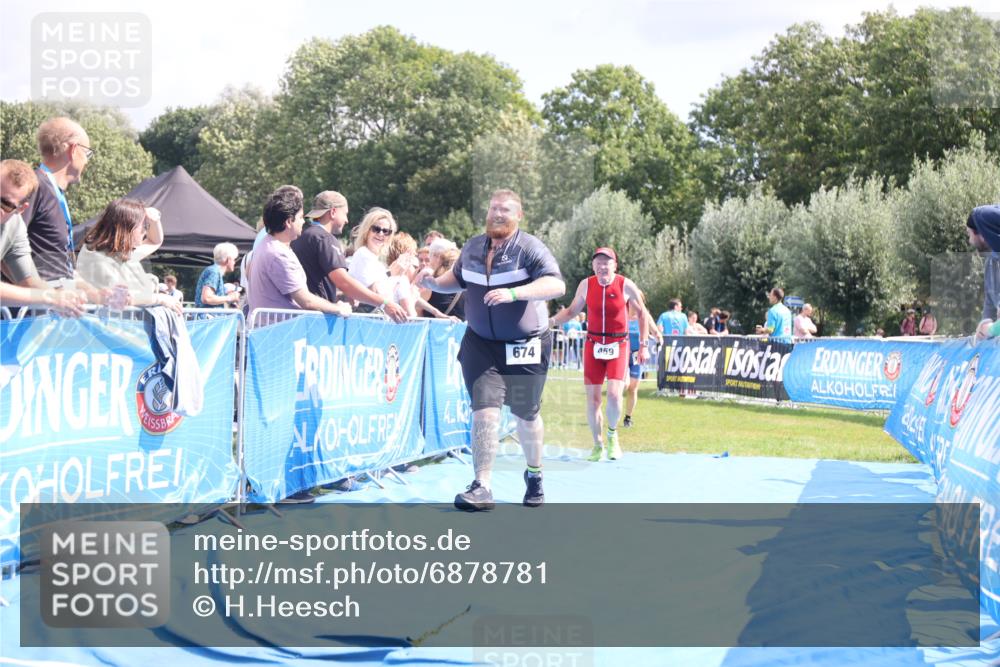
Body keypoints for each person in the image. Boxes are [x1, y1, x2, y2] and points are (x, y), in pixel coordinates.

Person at [417, 189, 565, 510]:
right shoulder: (471, 248)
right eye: (494, 208)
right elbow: (454, 281)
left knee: (526, 415)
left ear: (519, 215)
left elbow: (556, 285)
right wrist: (430, 283)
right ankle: (482, 485)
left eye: (506, 210)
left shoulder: (530, 248)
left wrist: (514, 294)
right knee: (484, 411)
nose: (498, 214)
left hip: (526, 344)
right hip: (481, 342)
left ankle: (534, 474)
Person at [550, 247, 649, 461]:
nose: (602, 266)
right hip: (593, 344)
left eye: (607, 262)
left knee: (614, 394)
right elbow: (571, 311)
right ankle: (597, 444)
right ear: (593, 266)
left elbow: (642, 315)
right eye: (598, 262)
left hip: (618, 345)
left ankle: (612, 436)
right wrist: (550, 322)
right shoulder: (586, 285)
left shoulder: (625, 284)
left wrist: (644, 345)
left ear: (615, 265)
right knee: (593, 400)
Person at [290, 191, 406, 322]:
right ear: (333, 212)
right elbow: (343, 282)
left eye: (386, 231)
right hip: (316, 318)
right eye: (345, 213)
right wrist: (384, 303)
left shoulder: (302, 235)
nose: (347, 220)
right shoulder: (325, 238)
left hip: (300, 315)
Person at [246, 186, 352, 318]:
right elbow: (306, 301)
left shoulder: (266, 244)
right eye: (301, 217)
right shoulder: (278, 254)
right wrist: (337, 308)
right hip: (281, 333)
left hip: (272, 331)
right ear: (289, 221)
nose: (304, 221)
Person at [0, 159, 85, 315]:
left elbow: (29, 281)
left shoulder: (15, 227)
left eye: (5, 203)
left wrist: (65, 300)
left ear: (21, 209)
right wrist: (50, 298)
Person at [75, 199, 182, 314]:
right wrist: (159, 298)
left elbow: (155, 241)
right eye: (144, 225)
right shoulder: (97, 259)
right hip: (99, 329)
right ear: (127, 226)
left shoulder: (117, 254)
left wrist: (154, 220)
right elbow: (119, 299)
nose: (146, 230)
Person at [25, 117, 95, 283]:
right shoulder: (34, 187)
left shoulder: (54, 192)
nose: (87, 161)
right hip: (33, 307)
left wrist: (99, 293)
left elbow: (59, 267)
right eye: (87, 154)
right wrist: (38, 292)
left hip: (54, 302)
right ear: (73, 149)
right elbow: (6, 248)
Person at [348, 207, 397, 311]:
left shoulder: (376, 261)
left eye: (386, 231)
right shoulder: (363, 254)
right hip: (365, 319)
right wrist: (395, 275)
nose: (380, 234)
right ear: (367, 231)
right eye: (376, 229)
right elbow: (374, 292)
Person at [623, 293, 661, 428]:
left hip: (637, 357)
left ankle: (628, 418)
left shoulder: (644, 315)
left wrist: (659, 337)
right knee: (624, 385)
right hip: (622, 355)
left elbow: (655, 331)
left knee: (633, 389)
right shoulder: (622, 313)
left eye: (637, 300)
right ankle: (612, 411)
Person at [968, 204, 1000, 341]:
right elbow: (990, 305)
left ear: (982, 234)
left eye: (969, 234)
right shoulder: (991, 263)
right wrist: (983, 330)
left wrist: (990, 330)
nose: (969, 241)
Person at [194, 243, 241, 308]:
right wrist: (229, 297)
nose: (234, 262)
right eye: (234, 259)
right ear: (228, 259)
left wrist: (225, 294)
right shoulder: (214, 272)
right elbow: (206, 298)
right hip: (209, 317)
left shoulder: (214, 271)